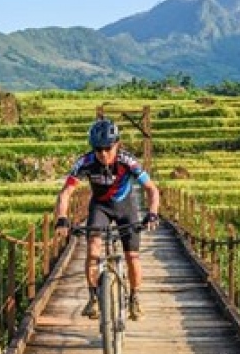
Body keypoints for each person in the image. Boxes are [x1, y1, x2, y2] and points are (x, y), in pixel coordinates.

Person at [54, 118, 160, 321]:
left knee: (132, 256)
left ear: (117, 144)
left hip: (126, 207)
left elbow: (151, 189)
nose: (103, 153)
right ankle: (93, 298)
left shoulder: (127, 161)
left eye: (107, 148)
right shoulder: (85, 163)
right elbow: (66, 192)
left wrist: (152, 213)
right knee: (93, 250)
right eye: (98, 149)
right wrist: (62, 218)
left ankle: (135, 298)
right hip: (100, 207)